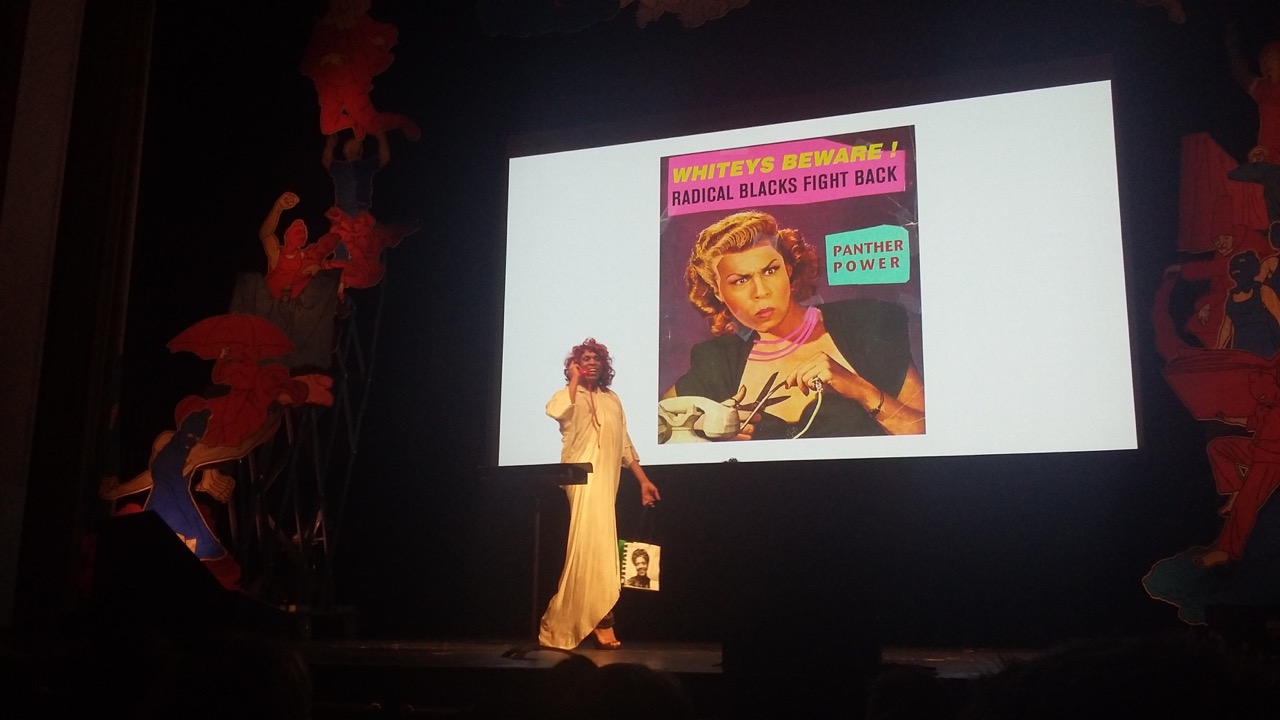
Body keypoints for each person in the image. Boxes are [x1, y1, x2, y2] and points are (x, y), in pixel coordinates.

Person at [667, 211, 925, 440]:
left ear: (788, 269)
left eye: (770, 271)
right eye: (740, 280)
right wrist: (698, 433)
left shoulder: (864, 322)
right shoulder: (717, 360)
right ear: (718, 292)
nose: (761, 291)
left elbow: (926, 432)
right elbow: (654, 430)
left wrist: (862, 391)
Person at [540, 338, 660, 650]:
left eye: (596, 359)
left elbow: (624, 445)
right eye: (585, 358)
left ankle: (591, 616)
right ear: (576, 364)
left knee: (598, 546)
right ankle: (600, 619)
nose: (592, 363)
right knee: (592, 546)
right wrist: (573, 380)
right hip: (582, 479)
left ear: (604, 365)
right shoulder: (570, 394)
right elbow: (557, 411)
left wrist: (643, 481)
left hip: (607, 480)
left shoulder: (612, 399)